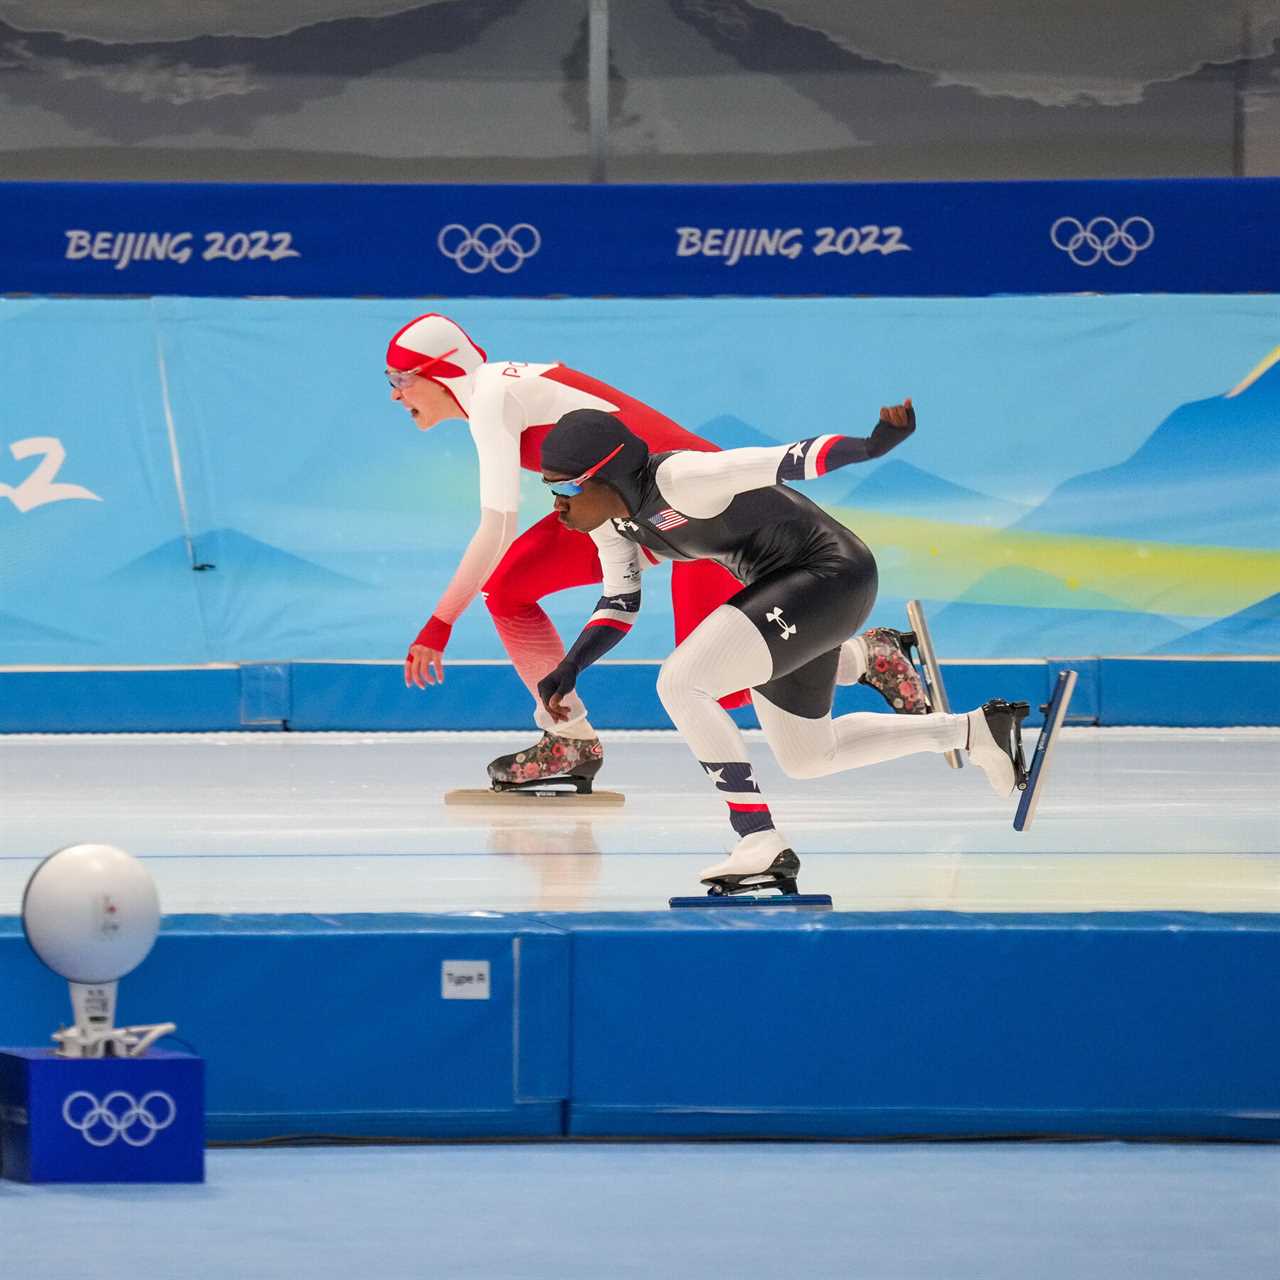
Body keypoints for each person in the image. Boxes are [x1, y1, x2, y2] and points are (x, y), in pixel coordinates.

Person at [386, 312, 925, 791]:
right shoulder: (497, 389)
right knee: (507, 590)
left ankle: (863, 657)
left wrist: (439, 625)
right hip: (624, 512)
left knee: (725, 682)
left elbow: (497, 525)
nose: (395, 395)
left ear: (438, 371)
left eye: (400, 379)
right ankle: (569, 738)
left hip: (698, 510)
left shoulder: (491, 398)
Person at [535, 402, 1027, 894]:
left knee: (682, 683)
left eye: (567, 486)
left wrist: (874, 445)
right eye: (550, 487)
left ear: (610, 473)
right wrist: (571, 665)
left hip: (831, 576)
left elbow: (783, 459)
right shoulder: (609, 522)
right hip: (786, 592)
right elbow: (620, 600)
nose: (557, 502)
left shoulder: (681, 478)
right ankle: (976, 730)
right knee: (809, 756)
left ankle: (758, 839)